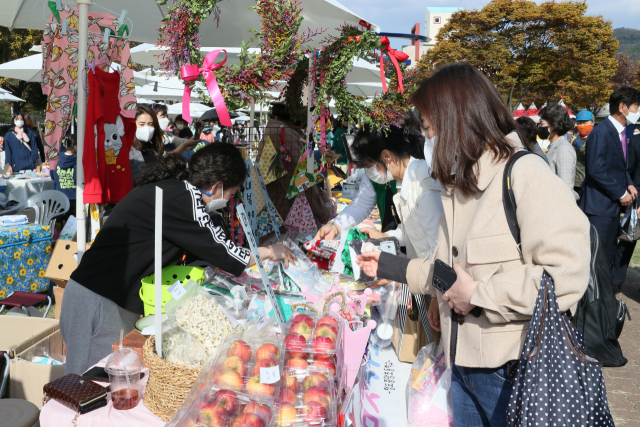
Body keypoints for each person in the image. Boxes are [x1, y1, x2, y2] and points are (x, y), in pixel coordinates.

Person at [355, 64, 590, 427]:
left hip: (513, 373)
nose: (427, 142)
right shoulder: (459, 187)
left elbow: (567, 276)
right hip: (460, 364)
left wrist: (479, 294)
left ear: (457, 123)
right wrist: (386, 267)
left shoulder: (526, 176)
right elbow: (445, 270)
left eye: (431, 130)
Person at [61, 143, 297, 375]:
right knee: (87, 383)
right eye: (231, 194)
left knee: (113, 378)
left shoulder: (174, 192)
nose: (229, 201)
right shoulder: (184, 199)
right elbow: (223, 251)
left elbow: (200, 252)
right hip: (98, 298)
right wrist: (266, 252)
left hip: (108, 297)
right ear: (216, 186)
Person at [349, 123, 444, 260]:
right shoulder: (406, 182)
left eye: (369, 165)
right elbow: (414, 230)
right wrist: (385, 236)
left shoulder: (424, 188)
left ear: (387, 156)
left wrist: (399, 279)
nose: (369, 172)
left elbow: (439, 253)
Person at [580, 87, 640, 267]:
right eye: (636, 107)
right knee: (597, 257)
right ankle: (594, 296)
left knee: (608, 254)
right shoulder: (601, 132)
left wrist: (629, 183)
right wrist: (621, 194)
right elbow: (596, 169)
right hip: (598, 207)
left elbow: (620, 166)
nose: (638, 112)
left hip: (610, 206)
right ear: (623, 107)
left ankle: (606, 295)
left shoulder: (620, 132)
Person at [538, 102, 578, 200]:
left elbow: (566, 188)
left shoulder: (564, 149)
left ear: (553, 125)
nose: (539, 127)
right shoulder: (553, 146)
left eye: (541, 123)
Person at [50, 134, 77, 221]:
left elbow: (53, 176)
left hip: (59, 199)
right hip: (75, 201)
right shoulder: (79, 161)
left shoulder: (55, 159)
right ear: (75, 147)